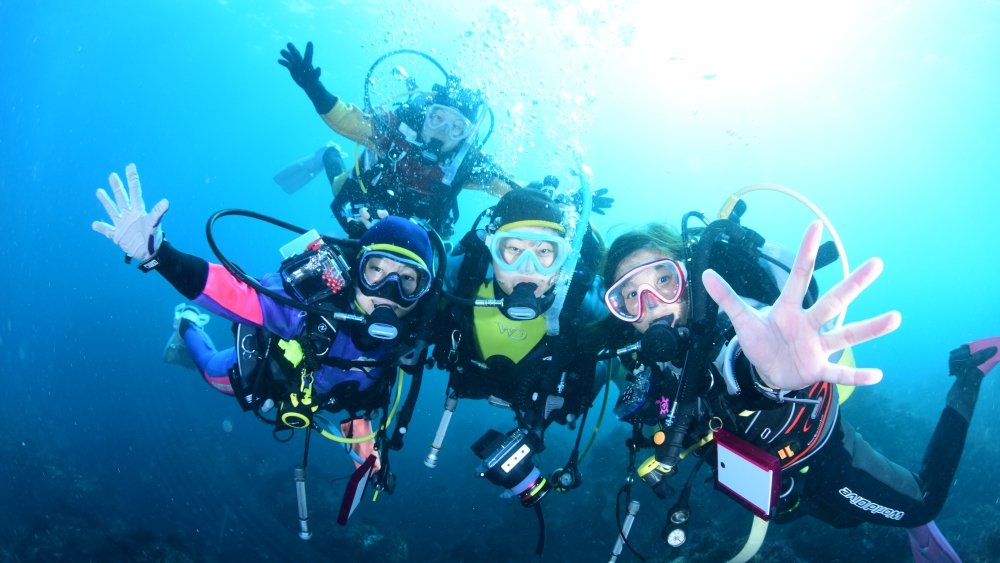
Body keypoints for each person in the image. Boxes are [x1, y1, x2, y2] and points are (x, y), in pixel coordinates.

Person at [599, 217, 997, 560]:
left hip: (821, 453)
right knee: (837, 517)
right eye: (629, 297)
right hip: (776, 475)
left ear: (686, 277)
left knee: (922, 505)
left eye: (663, 280)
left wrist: (767, 373)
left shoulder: (733, 327)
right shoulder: (647, 357)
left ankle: (969, 373)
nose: (649, 304)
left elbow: (742, 363)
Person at [91, 163, 440, 487]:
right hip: (271, 371)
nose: (388, 293)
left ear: (421, 293)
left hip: (324, 399)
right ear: (355, 270)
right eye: (375, 271)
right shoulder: (311, 305)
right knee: (213, 372)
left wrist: (364, 443)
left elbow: (361, 395)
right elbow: (235, 293)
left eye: (408, 280)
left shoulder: (409, 337)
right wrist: (160, 255)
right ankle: (186, 324)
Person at [428, 182, 608, 512]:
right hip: (475, 379)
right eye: (511, 250)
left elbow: (629, 348)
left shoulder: (583, 302)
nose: (528, 269)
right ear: (490, 248)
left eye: (544, 252)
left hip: (539, 400)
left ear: (562, 260)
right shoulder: (461, 278)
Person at [278, 41, 521, 240]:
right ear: (425, 114)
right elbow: (347, 120)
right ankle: (328, 153)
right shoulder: (394, 128)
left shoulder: (467, 162)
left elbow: (511, 187)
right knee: (338, 186)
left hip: (413, 230)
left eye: (457, 128)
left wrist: (542, 201)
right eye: (437, 118)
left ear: (466, 138)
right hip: (362, 204)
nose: (443, 131)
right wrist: (313, 87)